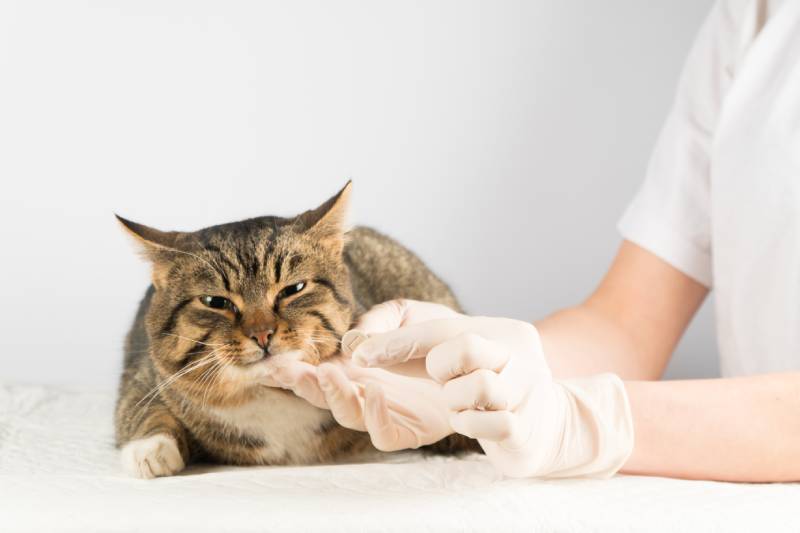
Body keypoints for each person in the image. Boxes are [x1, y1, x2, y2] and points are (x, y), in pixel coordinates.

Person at [271, 0, 800, 482]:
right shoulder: (752, 17)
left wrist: (585, 421)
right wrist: (471, 369)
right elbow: (626, 325)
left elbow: (582, 411)